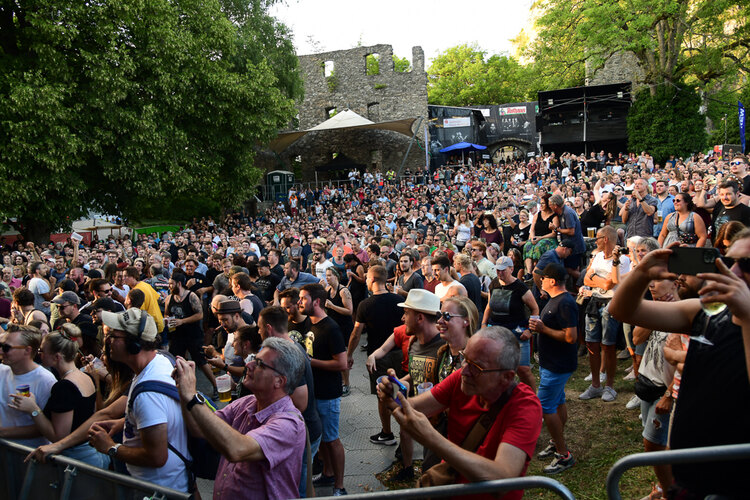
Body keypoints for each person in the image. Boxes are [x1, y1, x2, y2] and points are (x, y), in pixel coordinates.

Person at [608, 229, 750, 498]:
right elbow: (622, 310)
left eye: (747, 265)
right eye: (729, 262)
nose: (734, 273)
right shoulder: (706, 312)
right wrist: (643, 273)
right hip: (691, 474)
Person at [378, 326, 542, 500]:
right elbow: (414, 407)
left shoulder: (525, 406)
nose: (464, 370)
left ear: (507, 377)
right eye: (464, 358)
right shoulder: (461, 379)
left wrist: (431, 438)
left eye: (476, 367)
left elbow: (502, 479)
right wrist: (395, 393)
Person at [174, 337, 307, 500]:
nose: (248, 365)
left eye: (259, 364)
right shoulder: (248, 402)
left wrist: (192, 396)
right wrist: (184, 392)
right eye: (254, 359)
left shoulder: (289, 424)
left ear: (279, 381)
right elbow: (199, 428)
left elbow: (236, 449)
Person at [89, 308, 191, 492]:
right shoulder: (158, 361)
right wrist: (124, 423)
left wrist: (111, 447)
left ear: (134, 345)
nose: (108, 340)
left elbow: (156, 457)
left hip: (158, 489)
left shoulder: (147, 396)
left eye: (114, 336)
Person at [8, 325, 109, 468]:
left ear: (57, 357)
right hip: (92, 454)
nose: (39, 354)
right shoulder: (86, 377)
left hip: (76, 460)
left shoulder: (64, 387)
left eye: (42, 351)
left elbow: (59, 436)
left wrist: (33, 409)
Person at [257, 306, 322, 498]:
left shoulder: (288, 354)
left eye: (260, 328)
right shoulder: (289, 346)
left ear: (268, 328)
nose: (258, 332)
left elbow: (300, 403)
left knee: (297, 491)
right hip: (303, 431)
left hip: (304, 433)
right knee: (303, 487)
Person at [299, 284, 348, 496]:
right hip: (313, 392)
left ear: (316, 301)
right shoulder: (309, 323)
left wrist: (310, 362)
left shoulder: (331, 328)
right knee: (321, 439)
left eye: (303, 298)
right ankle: (327, 473)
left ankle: (340, 486)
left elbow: (342, 364)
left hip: (328, 394)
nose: (299, 302)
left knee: (331, 439)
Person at [529, 264, 578, 474]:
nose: (540, 280)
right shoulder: (554, 299)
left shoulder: (565, 303)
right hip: (550, 362)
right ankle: (556, 441)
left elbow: (571, 337)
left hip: (558, 364)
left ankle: (564, 455)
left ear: (552, 281)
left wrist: (543, 329)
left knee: (545, 406)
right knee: (558, 401)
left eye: (543, 277)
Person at [579, 225, 631, 402]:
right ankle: (595, 385)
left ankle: (609, 386)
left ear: (606, 239)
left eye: (598, 238)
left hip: (611, 304)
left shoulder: (623, 260)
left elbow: (612, 283)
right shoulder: (598, 256)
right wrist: (600, 281)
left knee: (608, 345)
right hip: (595, 302)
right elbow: (587, 278)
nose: (595, 242)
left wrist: (596, 279)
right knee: (591, 344)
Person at [483, 256, 539, 391]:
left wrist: (530, 330)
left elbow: (535, 308)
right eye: (498, 270)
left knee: (523, 369)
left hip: (516, 331)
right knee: (497, 368)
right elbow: (489, 306)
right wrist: (484, 324)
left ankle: (532, 397)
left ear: (511, 269)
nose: (500, 273)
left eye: (503, 270)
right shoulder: (494, 284)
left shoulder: (520, 287)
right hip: (496, 331)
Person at [0, 325, 57, 447]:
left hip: (29, 453)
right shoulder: (2, 371)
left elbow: (49, 427)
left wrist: (3, 432)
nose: (1, 351)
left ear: (27, 350)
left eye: (6, 348)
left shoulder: (45, 380)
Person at [165, 271, 218, 400]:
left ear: (179, 284)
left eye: (171, 284)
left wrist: (182, 321)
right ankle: (178, 388)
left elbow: (200, 315)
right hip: (177, 335)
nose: (169, 286)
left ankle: (216, 386)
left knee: (201, 361)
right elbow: (167, 313)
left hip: (193, 334)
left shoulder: (191, 296)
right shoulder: (169, 298)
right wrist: (167, 319)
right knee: (175, 360)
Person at [324, 268, 354, 396]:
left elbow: (349, 311)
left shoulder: (343, 291)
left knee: (343, 357)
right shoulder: (327, 290)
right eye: (326, 275)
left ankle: (346, 384)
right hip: (333, 328)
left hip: (344, 328)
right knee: (335, 355)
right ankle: (340, 381)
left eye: (329, 275)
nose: (327, 278)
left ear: (336, 276)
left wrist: (332, 306)